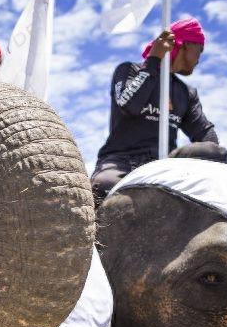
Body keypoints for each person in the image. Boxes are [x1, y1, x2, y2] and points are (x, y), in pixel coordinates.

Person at [91, 17, 218, 203]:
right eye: (200, 49)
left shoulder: (186, 93)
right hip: (120, 162)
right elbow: (129, 105)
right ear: (184, 45)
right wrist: (154, 60)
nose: (200, 57)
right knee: (102, 186)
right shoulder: (128, 70)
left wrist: (215, 153)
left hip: (163, 165)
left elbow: (205, 133)